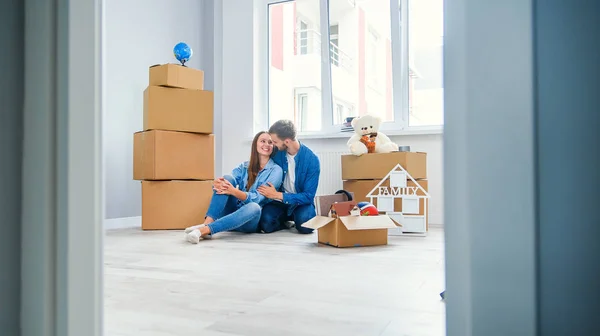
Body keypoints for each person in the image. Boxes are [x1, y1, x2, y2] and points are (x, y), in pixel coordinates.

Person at [184, 131, 283, 244]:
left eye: (270, 142)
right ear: (255, 144)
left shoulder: (276, 170)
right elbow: (228, 182)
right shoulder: (245, 166)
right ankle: (207, 222)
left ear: (273, 147)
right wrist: (217, 183)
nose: (266, 145)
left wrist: (234, 191)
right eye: (263, 141)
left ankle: (204, 230)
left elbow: (257, 198)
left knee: (255, 207)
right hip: (232, 212)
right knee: (226, 178)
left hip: (248, 219)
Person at [257, 120, 320, 234]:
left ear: (286, 141)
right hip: (279, 202)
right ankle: (286, 222)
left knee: (306, 226)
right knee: (265, 223)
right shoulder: (277, 153)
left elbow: (308, 196)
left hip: (300, 203)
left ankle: (295, 218)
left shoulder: (312, 160)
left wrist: (278, 195)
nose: (272, 144)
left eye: (275, 141)